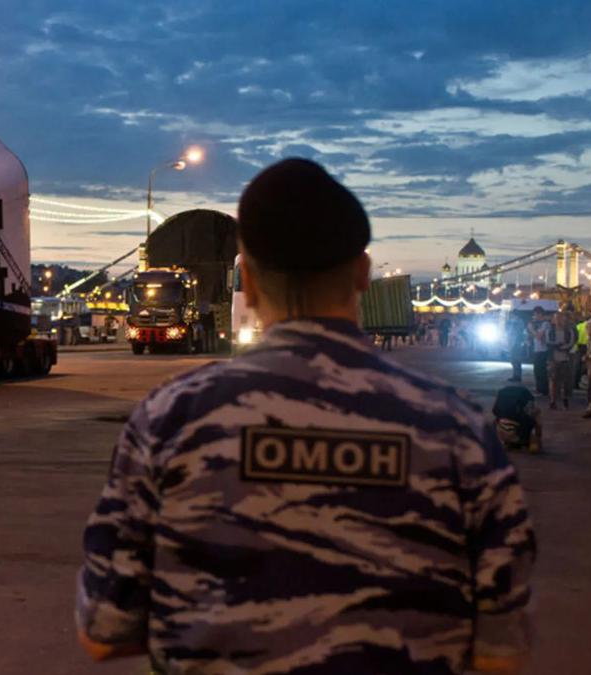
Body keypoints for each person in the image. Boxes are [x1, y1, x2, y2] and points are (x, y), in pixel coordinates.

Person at [75, 159, 535, 675]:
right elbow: (501, 651)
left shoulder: (169, 420)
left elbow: (105, 633)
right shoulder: (457, 431)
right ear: (362, 273)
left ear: (245, 274)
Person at [493, 384, 542, 453]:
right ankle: (534, 442)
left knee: (496, 420)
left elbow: (495, 411)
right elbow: (531, 410)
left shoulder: (501, 396)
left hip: (501, 432)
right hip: (519, 434)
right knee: (537, 412)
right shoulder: (526, 397)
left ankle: (507, 442)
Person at [548, 311, 575, 410]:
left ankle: (564, 398)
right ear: (554, 320)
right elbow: (548, 342)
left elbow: (571, 342)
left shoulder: (568, 331)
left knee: (564, 380)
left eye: (560, 318)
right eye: (556, 318)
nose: (559, 320)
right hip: (553, 359)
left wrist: (562, 347)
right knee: (553, 380)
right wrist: (558, 345)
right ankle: (552, 400)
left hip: (565, 358)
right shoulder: (551, 331)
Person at [528, 308, 551, 397]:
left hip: (543, 350)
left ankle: (543, 390)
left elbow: (539, 336)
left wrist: (531, 329)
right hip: (537, 349)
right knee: (537, 370)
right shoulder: (539, 324)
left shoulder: (545, 324)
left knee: (541, 370)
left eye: (536, 314)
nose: (534, 317)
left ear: (540, 314)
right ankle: (539, 389)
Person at [506, 314, 527, 382]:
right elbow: (508, 331)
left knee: (516, 361)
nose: (512, 316)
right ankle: (515, 375)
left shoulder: (519, 322)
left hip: (517, 343)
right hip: (512, 343)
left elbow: (519, 331)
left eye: (513, 315)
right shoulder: (511, 322)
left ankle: (517, 376)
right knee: (513, 360)